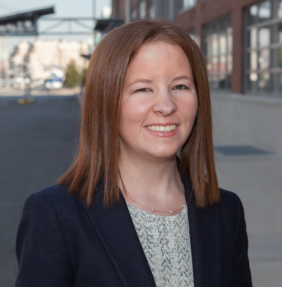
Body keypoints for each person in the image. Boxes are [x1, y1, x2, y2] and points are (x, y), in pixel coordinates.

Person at [15, 19, 252, 287]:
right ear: (106, 102)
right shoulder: (54, 215)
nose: (166, 105)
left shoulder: (226, 211)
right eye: (143, 89)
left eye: (180, 86)